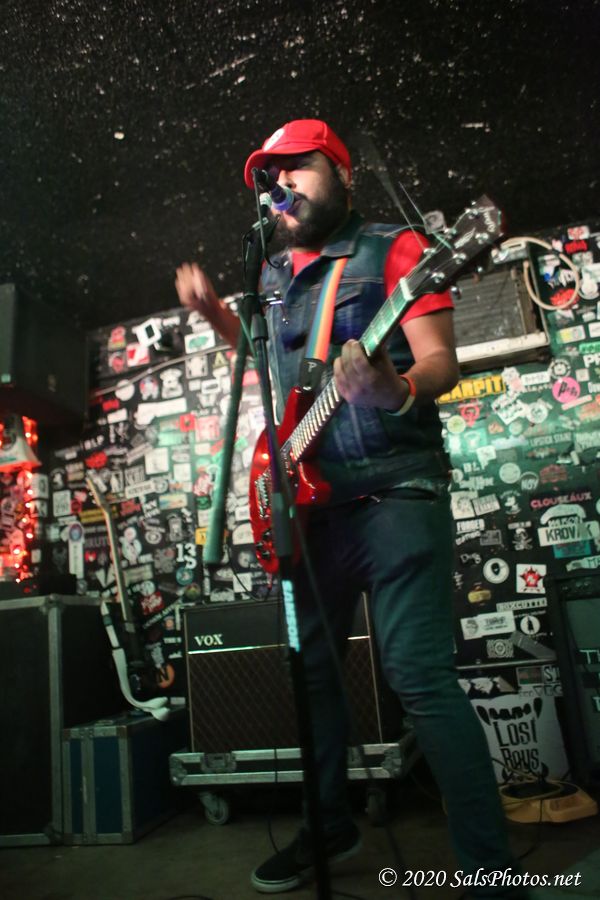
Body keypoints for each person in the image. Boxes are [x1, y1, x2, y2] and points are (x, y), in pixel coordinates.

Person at [176, 119, 525, 897]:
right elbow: (265, 365)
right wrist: (214, 315)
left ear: (341, 172)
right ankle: (327, 822)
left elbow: (440, 362)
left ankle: (488, 869)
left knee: (416, 675)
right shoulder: (270, 276)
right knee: (314, 678)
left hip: (395, 490)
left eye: (297, 168)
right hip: (311, 511)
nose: (281, 185)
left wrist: (392, 389)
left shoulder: (397, 250)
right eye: (271, 177)